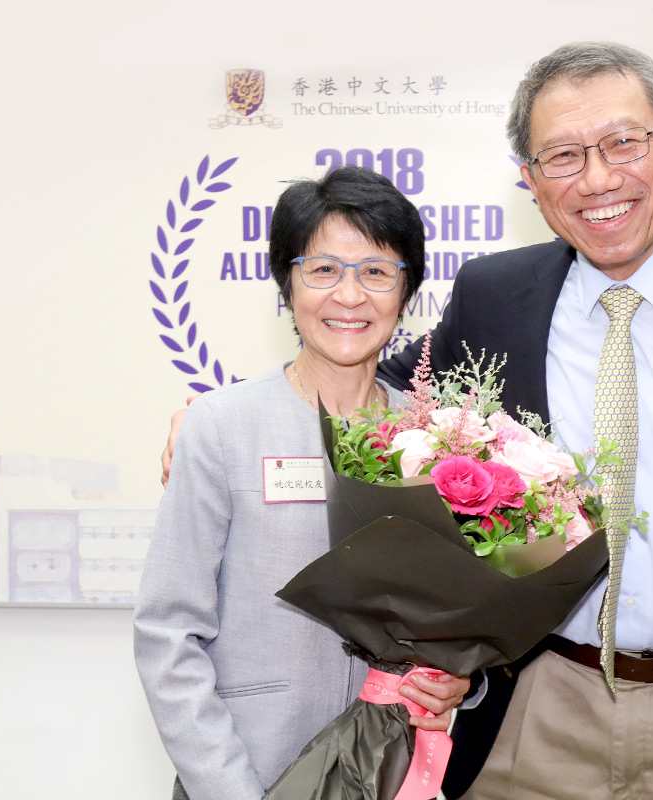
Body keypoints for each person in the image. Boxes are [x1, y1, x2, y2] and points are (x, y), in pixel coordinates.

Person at [163, 42, 653, 800]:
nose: (596, 178)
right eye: (561, 155)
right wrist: (230, 412)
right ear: (530, 180)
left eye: (623, 142)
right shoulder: (498, 294)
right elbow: (385, 375)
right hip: (537, 704)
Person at [135, 166, 472, 800]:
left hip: (390, 768)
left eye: (376, 271)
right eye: (323, 270)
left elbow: (459, 621)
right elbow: (167, 633)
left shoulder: (438, 443)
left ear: (407, 292)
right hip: (251, 769)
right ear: (287, 287)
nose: (349, 296)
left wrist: (462, 681)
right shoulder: (221, 426)